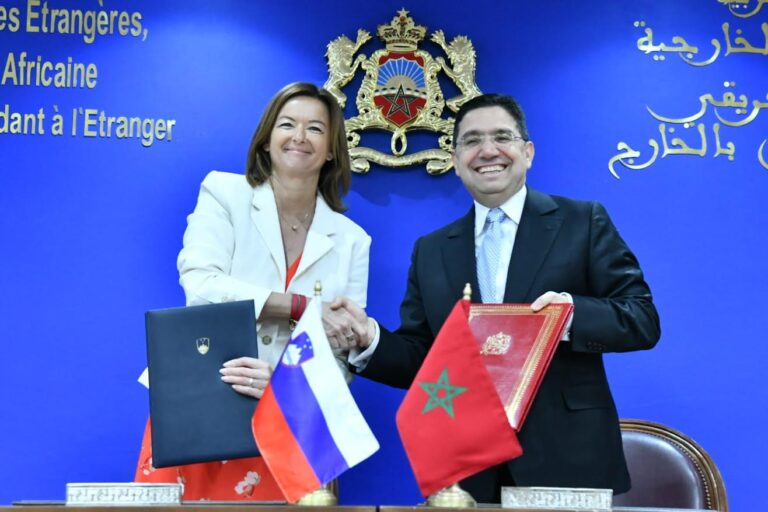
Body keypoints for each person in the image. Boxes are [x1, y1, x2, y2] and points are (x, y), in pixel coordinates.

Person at [336, 93, 661, 503]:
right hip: (467, 466)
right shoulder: (432, 250)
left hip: (568, 457)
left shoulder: (583, 221)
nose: (488, 151)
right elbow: (424, 356)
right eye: (472, 141)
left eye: (502, 137)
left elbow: (641, 318)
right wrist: (370, 339)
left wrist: (568, 317)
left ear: (528, 152)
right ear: (456, 161)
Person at [135, 82, 371, 500]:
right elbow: (201, 286)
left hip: (292, 421)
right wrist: (301, 308)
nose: (300, 137)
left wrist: (285, 387)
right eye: (287, 124)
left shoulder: (353, 240)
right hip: (205, 400)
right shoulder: (225, 193)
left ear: (332, 150)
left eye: (316, 128)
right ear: (266, 139)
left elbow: (341, 354)